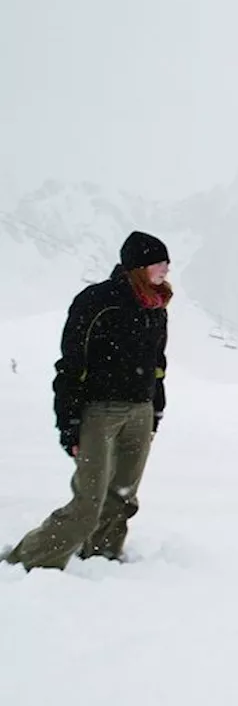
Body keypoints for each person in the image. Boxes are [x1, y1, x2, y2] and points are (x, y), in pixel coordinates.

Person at [3, 230, 172, 571]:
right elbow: (70, 367)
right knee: (88, 504)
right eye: (159, 264)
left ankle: (102, 559)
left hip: (139, 412)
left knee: (122, 496)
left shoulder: (156, 306)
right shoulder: (97, 301)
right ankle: (26, 563)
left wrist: (155, 412)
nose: (166, 271)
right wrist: (70, 424)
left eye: (167, 264)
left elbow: (157, 365)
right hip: (99, 412)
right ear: (138, 266)